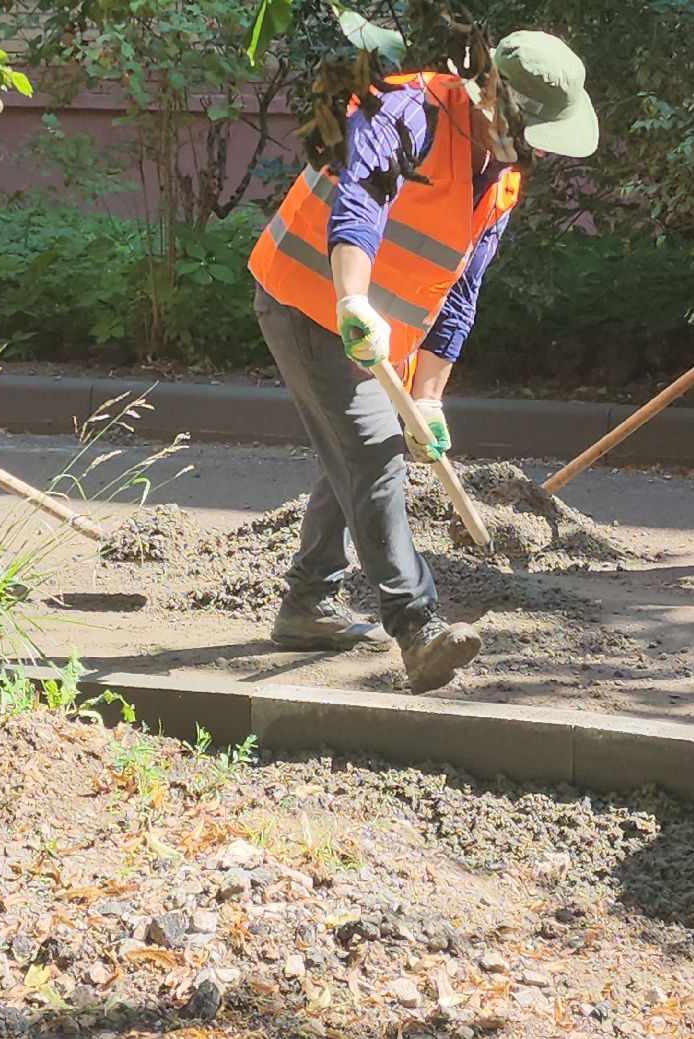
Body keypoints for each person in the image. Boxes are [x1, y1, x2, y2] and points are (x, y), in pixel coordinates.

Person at [246, 30, 597, 691]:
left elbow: (460, 292)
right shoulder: (406, 111)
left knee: (353, 452)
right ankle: (417, 627)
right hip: (307, 297)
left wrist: (429, 397)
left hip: (378, 333)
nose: (542, 149)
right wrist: (353, 300)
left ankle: (308, 603)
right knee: (373, 449)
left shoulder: (502, 177)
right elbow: (359, 199)